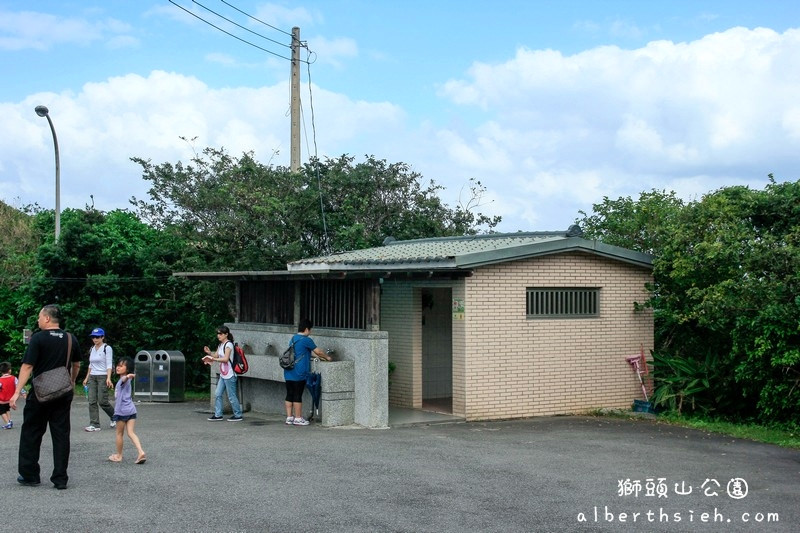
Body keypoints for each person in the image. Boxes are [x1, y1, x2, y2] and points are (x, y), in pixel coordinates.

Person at [10, 304, 81, 490]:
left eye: (40, 317)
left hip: (40, 394)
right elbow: (76, 364)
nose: (38, 320)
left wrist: (17, 391)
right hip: (63, 393)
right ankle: (60, 479)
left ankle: (30, 475)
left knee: (31, 433)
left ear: (47, 319)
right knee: (61, 434)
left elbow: (27, 366)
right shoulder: (70, 339)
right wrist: (71, 382)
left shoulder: (38, 338)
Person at [284, 318, 331, 426]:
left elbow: (304, 353)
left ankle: (289, 417)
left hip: (289, 371)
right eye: (310, 330)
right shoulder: (306, 340)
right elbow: (318, 352)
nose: (310, 332)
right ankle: (298, 418)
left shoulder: (293, 338)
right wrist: (327, 357)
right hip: (299, 372)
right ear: (306, 329)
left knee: (289, 394)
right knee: (297, 394)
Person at [108, 356, 146, 464]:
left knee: (119, 434)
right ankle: (141, 452)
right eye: (117, 365)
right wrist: (128, 376)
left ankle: (119, 456)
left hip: (122, 411)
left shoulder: (123, 380)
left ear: (128, 369)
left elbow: (124, 379)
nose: (118, 368)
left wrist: (128, 376)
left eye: (121, 366)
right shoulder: (124, 380)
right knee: (131, 432)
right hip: (131, 410)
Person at [203, 326, 243, 422]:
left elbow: (225, 359)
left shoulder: (229, 345)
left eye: (220, 334)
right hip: (223, 374)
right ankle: (218, 414)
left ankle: (238, 415)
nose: (218, 336)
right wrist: (209, 353)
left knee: (231, 395)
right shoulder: (221, 345)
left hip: (230, 374)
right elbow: (216, 355)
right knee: (217, 394)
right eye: (218, 333)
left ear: (226, 334)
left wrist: (213, 359)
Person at [82, 327, 116, 432]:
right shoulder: (92, 348)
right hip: (92, 376)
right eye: (93, 337)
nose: (95, 339)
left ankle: (115, 417)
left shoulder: (107, 348)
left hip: (102, 376)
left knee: (102, 401)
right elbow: (90, 364)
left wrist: (108, 378)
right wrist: (86, 377)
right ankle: (95, 424)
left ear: (102, 337)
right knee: (91, 401)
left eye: (97, 337)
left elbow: (109, 364)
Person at [0, 361, 25, 429]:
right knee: (7, 409)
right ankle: (9, 420)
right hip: (10, 399)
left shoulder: (0, 380)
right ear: (9, 370)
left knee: (2, 411)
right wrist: (23, 393)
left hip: (2, 400)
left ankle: (8, 423)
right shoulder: (14, 378)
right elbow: (19, 386)